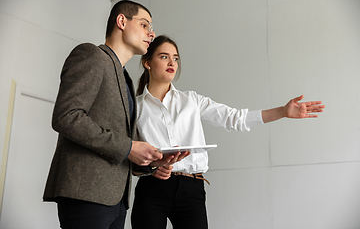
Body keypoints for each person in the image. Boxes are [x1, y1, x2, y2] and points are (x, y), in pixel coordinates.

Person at [130, 35, 325, 229]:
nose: (172, 62)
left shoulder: (192, 101)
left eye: (176, 58)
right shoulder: (134, 107)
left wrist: (283, 111)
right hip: (152, 190)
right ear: (147, 62)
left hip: (191, 188)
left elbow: (236, 118)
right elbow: (126, 154)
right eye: (164, 56)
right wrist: (152, 167)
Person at [43, 1, 185, 229]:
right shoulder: (91, 55)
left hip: (116, 202)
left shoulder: (125, 78)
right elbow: (66, 116)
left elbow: (120, 147)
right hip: (86, 194)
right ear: (121, 21)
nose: (152, 33)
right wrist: (129, 147)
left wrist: (152, 162)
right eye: (144, 24)